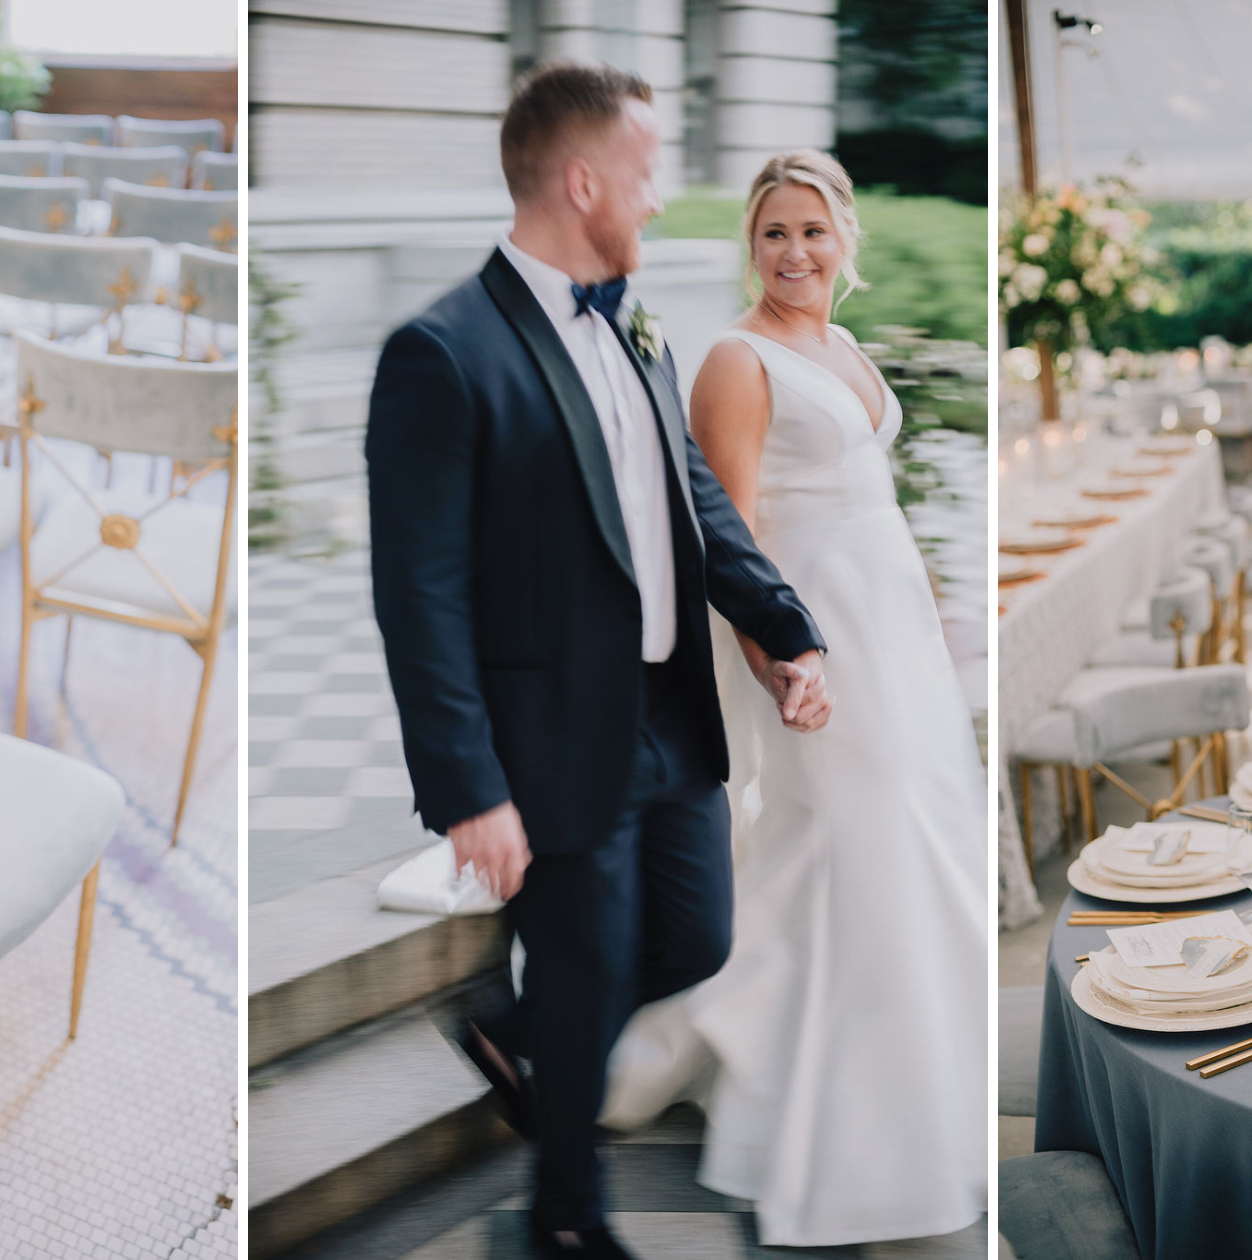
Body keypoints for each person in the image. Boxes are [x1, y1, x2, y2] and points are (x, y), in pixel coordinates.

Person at [364, 64, 832, 1260]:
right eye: (645, 171)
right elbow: (416, 597)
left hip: (669, 722)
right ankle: (563, 1220)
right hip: (551, 738)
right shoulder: (441, 352)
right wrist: (467, 787)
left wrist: (785, 629)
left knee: (698, 937)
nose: (660, 198)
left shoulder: (634, 323)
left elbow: (692, 508)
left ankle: (511, 1024)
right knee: (586, 960)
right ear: (582, 181)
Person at [599, 150, 989, 1247]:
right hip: (812, 643)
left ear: (844, 238)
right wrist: (776, 658)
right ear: (750, 244)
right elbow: (732, 532)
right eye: (773, 232)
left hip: (895, 634)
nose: (793, 252)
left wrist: (938, 597)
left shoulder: (847, 348)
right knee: (846, 841)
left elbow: (872, 497)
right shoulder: (733, 357)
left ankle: (908, 1076)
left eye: (812, 231)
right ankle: (813, 1099)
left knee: (905, 839)